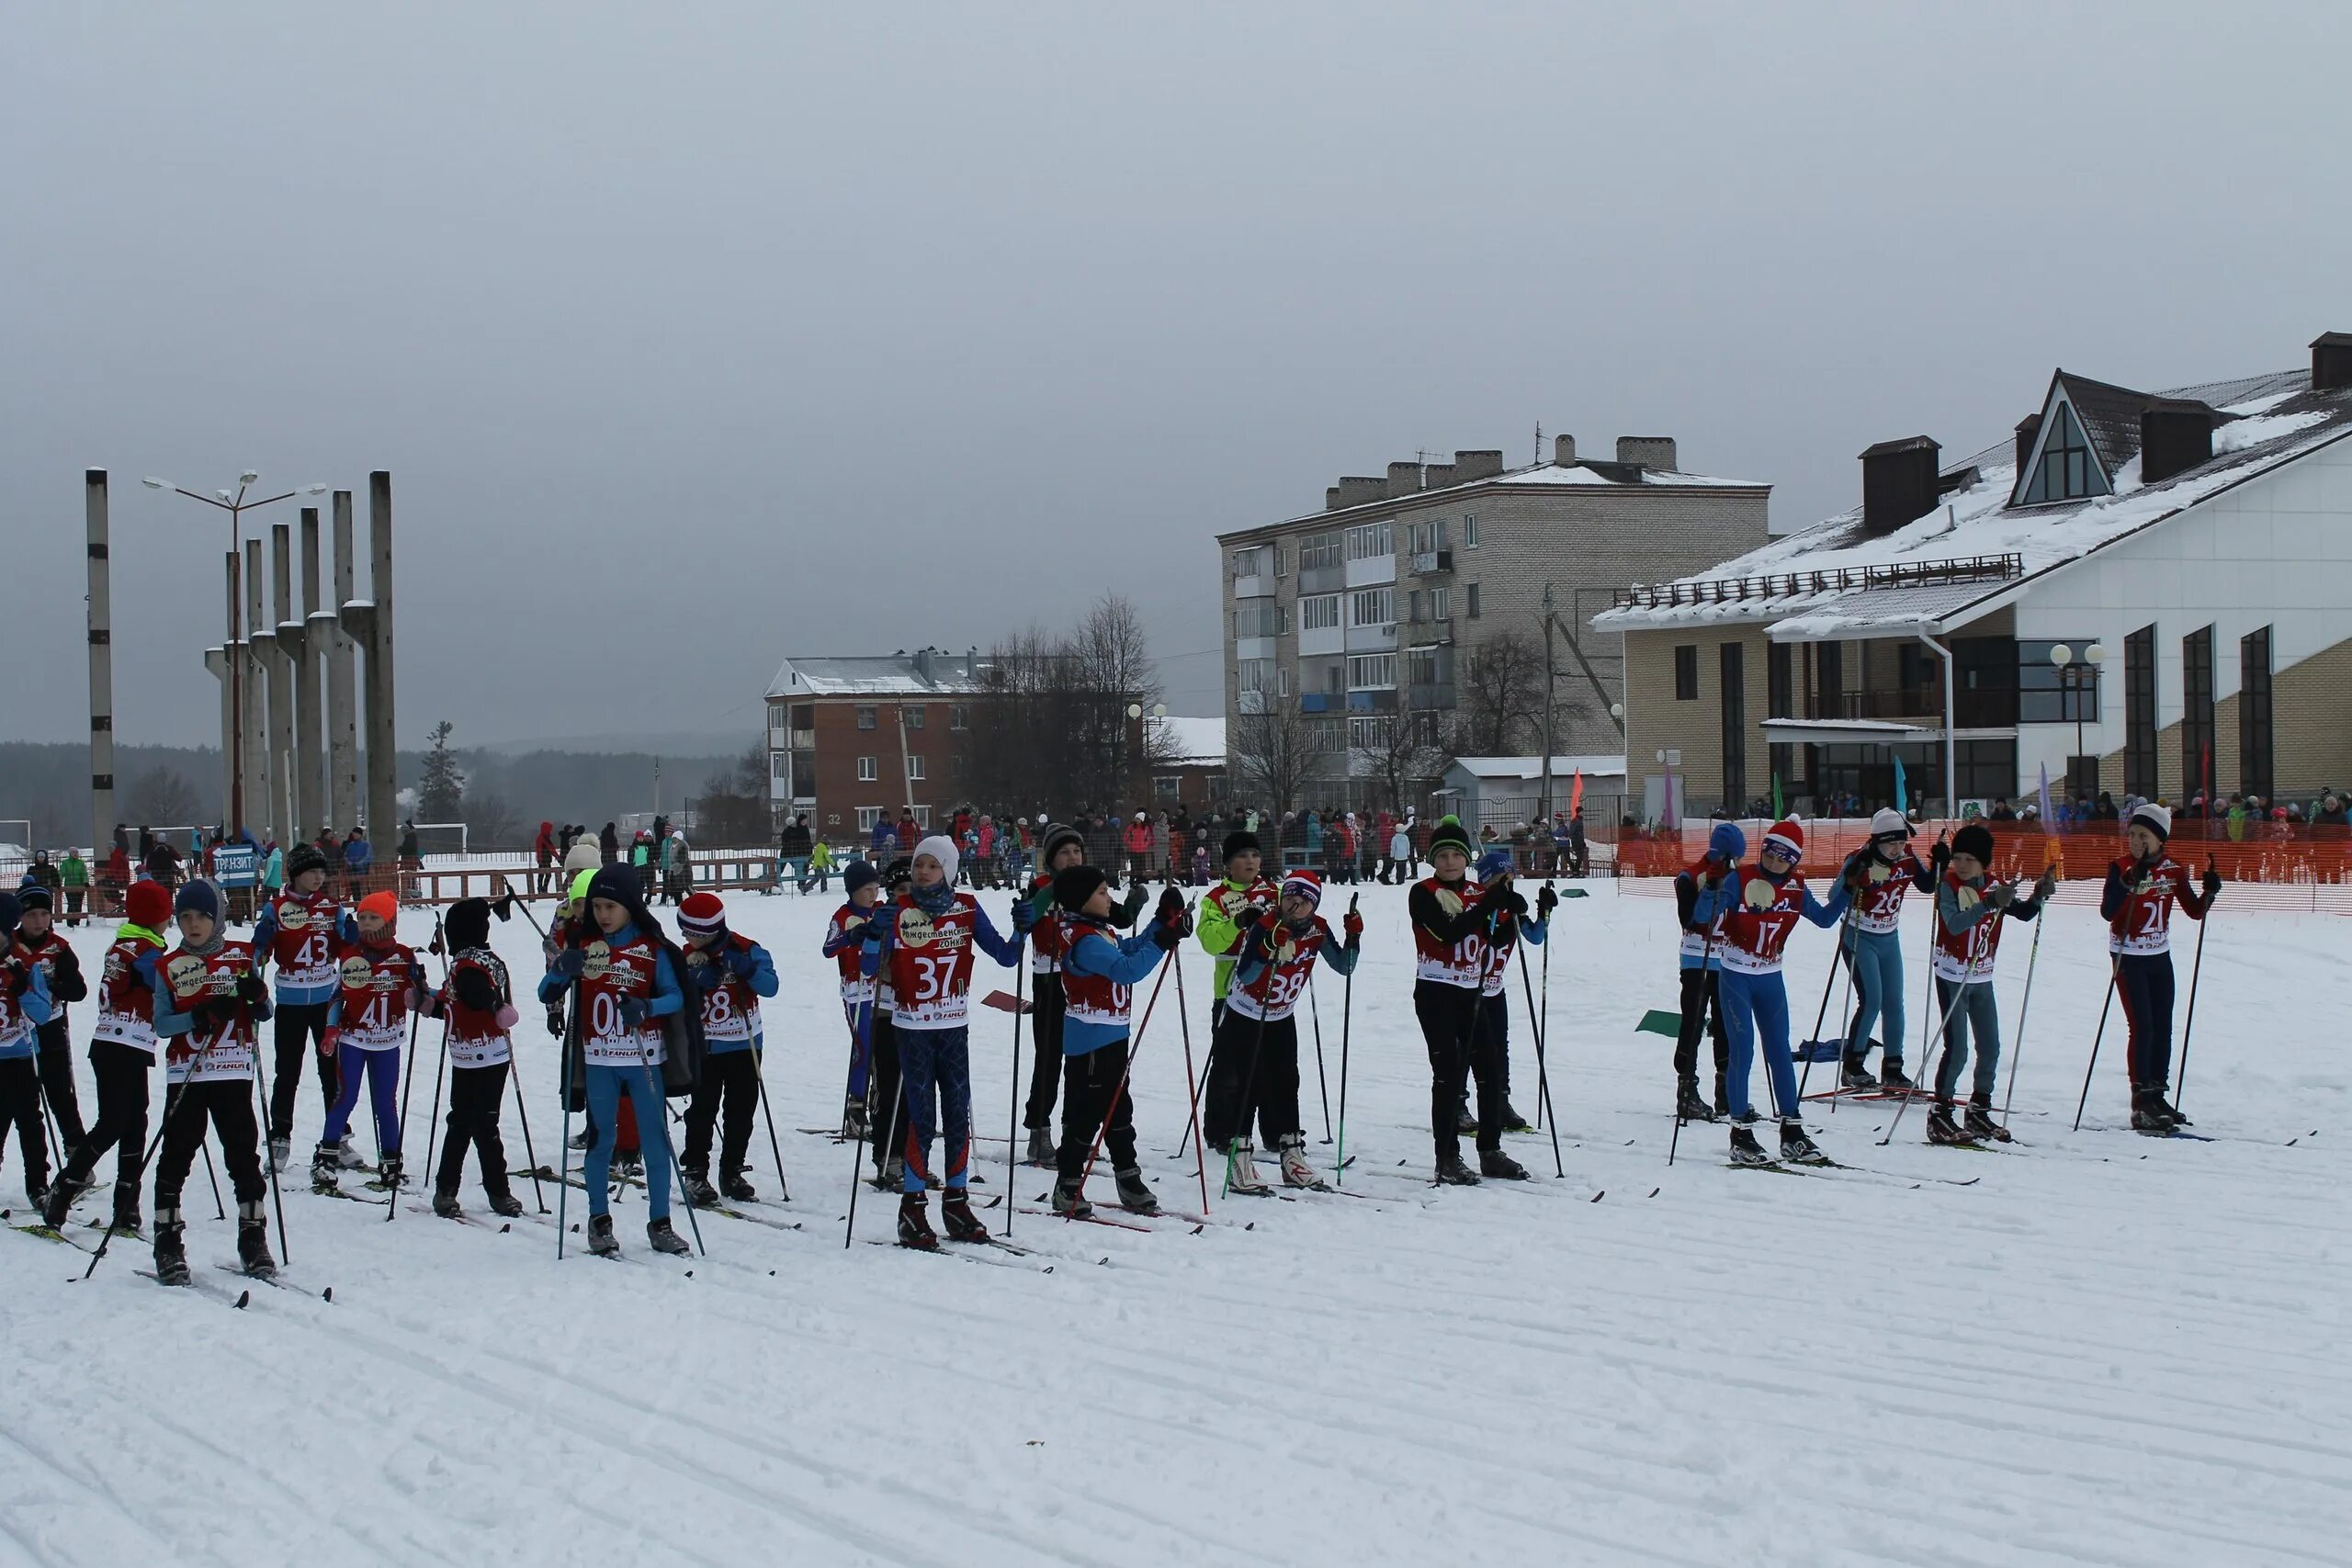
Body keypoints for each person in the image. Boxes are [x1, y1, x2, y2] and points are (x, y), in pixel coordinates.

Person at [857, 836, 1023, 1248]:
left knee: (956, 1110)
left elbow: (1005, 957)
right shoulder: (897, 910)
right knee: (922, 1115)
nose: (923, 873)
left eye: (933, 866)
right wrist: (874, 935)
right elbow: (865, 967)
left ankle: (956, 1199)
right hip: (912, 1027)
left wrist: (1023, 928)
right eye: (918, 866)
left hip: (952, 1024)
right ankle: (912, 1206)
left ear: (947, 870)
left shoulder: (965, 907)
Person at [541, 863, 696, 1258]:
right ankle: (599, 1220)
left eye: (610, 905)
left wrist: (646, 1006)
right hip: (599, 1062)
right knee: (601, 1140)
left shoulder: (652, 948)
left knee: (655, 1140)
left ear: (630, 905)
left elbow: (677, 997)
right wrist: (562, 969)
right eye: (596, 906)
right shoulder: (586, 947)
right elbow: (546, 991)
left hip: (644, 1058)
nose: (602, 914)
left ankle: (660, 1223)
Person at [147, 879, 276, 1284]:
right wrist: (196, 1017)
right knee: (177, 1154)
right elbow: (161, 1024)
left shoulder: (239, 956)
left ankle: (252, 1236)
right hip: (187, 1071)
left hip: (233, 1068)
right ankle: (167, 1240)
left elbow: (265, 1010)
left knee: (242, 1153)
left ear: (216, 916)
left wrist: (257, 996)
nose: (193, 924)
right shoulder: (168, 966)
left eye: (201, 915)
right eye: (185, 917)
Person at [1204, 870, 1362, 1191]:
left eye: (1304, 900)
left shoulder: (1317, 929)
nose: (1295, 904)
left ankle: (1292, 1157)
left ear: (1314, 905)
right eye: (1290, 896)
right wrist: (1266, 946)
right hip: (1245, 1014)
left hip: (1281, 1015)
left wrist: (1354, 937)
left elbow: (1344, 966)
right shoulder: (1264, 925)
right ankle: (1240, 1158)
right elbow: (1245, 975)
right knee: (1248, 1083)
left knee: (1287, 1083)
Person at [1709, 819, 1851, 1167]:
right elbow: (1703, 917)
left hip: (1771, 977)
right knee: (1743, 1050)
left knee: (1779, 1051)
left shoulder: (1796, 888)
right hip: (1736, 976)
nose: (1774, 862)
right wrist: (1714, 891)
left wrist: (1850, 886)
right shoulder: (1738, 879)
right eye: (1770, 854)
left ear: (1794, 861)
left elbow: (1824, 919)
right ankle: (1740, 1133)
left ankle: (1792, 1131)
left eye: (1783, 858)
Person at [1048, 867, 1182, 1218]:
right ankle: (1068, 1182)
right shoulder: (1083, 939)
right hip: (1090, 1038)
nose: (1110, 898)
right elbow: (1126, 970)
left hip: (1112, 1035)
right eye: (1103, 892)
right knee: (1088, 1114)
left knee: (1119, 1110)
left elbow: (1128, 948)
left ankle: (1128, 1177)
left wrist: (1160, 923)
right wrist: (1162, 942)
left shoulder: (1099, 931)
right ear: (1081, 900)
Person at [42, 879, 173, 1233]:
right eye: (167, 913)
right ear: (155, 917)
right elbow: (165, 981)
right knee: (115, 1123)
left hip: (129, 1045)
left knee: (135, 1123)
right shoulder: (145, 950)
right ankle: (66, 1187)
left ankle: (126, 1203)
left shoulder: (126, 942)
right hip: (120, 1045)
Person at [1406, 817, 1526, 1183]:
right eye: (1441, 856)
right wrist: (1490, 903)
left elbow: (1492, 939)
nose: (1449, 863)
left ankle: (1490, 1149)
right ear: (1432, 860)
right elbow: (1448, 933)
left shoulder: (1476, 893)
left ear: (1466, 858)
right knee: (1448, 1075)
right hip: (1437, 991)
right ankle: (1447, 1158)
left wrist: (1517, 914)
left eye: (1455, 855)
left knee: (1489, 1071)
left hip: (1471, 991)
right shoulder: (1423, 892)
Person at [1924, 825, 2054, 1145]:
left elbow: (2022, 913)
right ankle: (1940, 1113)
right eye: (1958, 858)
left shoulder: (1995, 885)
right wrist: (1989, 903)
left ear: (1984, 862)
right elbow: (1954, 925)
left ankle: (1979, 1108)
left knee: (1991, 1047)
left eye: (1970, 859)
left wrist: (2038, 895)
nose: (1963, 865)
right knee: (1958, 1049)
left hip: (1982, 976)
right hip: (1953, 975)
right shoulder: (1948, 886)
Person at [2099, 804, 2220, 1132]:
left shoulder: (2174, 869)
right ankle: (2141, 1102)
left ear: (2159, 839)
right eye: (2132, 835)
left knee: (2163, 1025)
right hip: (2128, 955)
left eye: (2144, 836)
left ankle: (2157, 1092)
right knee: (2142, 1026)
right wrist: (2127, 883)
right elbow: (2108, 912)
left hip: (2159, 954)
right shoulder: (2121, 866)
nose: (2136, 842)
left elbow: (2195, 910)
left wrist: (2210, 891)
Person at [253, 842, 358, 1171]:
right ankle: (280, 1138)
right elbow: (260, 956)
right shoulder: (277, 908)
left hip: (326, 999)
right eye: (312, 871)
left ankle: (337, 1136)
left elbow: (347, 950)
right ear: (297, 874)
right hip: (291, 998)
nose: (318, 877)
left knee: (331, 1069)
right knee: (288, 1072)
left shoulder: (331, 907)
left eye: (322, 871)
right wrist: (260, 943)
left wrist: (352, 937)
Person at [310, 891, 423, 1196]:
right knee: (345, 1096)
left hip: (387, 1039)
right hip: (354, 1038)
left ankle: (391, 1161)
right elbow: (337, 995)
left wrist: (423, 994)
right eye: (362, 918)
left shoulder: (403, 955)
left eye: (374, 918)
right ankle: (326, 1156)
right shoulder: (350, 955)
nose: (367, 924)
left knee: (386, 1103)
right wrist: (331, 1029)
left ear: (389, 921)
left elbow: (417, 995)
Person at [418, 897, 525, 1218]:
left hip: (489, 1054)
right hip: (465, 1054)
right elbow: (454, 1005)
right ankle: (448, 1189)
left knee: (481, 1123)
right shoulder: (467, 963)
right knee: (464, 1121)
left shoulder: (471, 965)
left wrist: (492, 1005)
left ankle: (496, 1190)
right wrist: (429, 1004)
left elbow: (477, 997)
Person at [674, 891, 779, 1207]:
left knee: (741, 1110)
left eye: (692, 932)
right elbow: (673, 1000)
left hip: (744, 1042)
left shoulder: (747, 949)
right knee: (702, 1110)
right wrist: (692, 985)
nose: (686, 937)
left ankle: (732, 1169)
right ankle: (695, 1170)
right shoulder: (683, 958)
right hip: (705, 1047)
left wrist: (748, 971)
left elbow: (771, 987)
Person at [1836, 808, 1939, 1093]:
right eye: (1890, 843)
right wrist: (1851, 879)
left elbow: (1927, 885)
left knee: (1894, 1002)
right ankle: (1852, 1065)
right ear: (1876, 840)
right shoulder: (1860, 859)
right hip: (1859, 935)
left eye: (1901, 842)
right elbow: (1835, 897)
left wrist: (1940, 863)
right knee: (1872, 999)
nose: (1896, 849)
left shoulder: (1907, 857)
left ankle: (1894, 1068)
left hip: (1888, 936)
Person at [1464, 850, 1555, 1135]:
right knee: (1466, 1050)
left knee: (1499, 1049)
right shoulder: (1476, 905)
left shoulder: (1512, 907)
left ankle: (1500, 1102)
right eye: (1501, 878)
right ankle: (1458, 1105)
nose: (1508, 882)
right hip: (1469, 989)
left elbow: (1536, 937)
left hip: (1495, 990)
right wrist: (1497, 915)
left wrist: (1544, 911)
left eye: (1511, 877)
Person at [1672, 824, 1743, 1122]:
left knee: (1727, 1024)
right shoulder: (1690, 878)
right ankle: (1686, 1090)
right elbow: (1689, 920)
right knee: (1693, 1022)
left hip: (1726, 959)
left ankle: (1725, 1091)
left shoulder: (1738, 878)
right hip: (1696, 958)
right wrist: (1711, 888)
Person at [11, 887, 88, 1151]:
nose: (39, 921)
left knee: (60, 1094)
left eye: (44, 914)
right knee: (25, 1099)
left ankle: (77, 1156)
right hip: (16, 1033)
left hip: (51, 1027)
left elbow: (78, 991)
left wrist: (52, 984)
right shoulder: (9, 945)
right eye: (32, 914)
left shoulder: (58, 947)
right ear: (21, 916)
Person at [0, 891, 59, 1212]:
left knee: (30, 1123)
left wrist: (23, 989)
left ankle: (38, 1184)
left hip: (21, 1055)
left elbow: (42, 1013)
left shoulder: (23, 961)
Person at [822, 861, 887, 1139]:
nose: (873, 894)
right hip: (856, 991)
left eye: (876, 888)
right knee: (864, 1047)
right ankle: (856, 1108)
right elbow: (828, 948)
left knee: (885, 1050)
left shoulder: (880, 911)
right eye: (867, 889)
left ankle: (881, 1105)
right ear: (853, 891)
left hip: (883, 990)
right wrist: (850, 936)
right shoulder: (843, 916)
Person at [1197, 829, 1279, 1032]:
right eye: (1242, 856)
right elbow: (1211, 942)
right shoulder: (1216, 898)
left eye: (1255, 854)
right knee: (1229, 1061)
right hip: (1231, 993)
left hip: (1271, 991)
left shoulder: (1273, 892)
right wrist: (1236, 923)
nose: (1250, 860)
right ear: (1229, 864)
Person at [778, 815, 814, 893]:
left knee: (801, 869)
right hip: (792, 853)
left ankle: (802, 884)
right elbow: (791, 842)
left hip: (796, 853)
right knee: (799, 869)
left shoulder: (797, 830)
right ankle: (801, 884)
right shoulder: (791, 831)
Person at [58, 847, 90, 927]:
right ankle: (70, 923)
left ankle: (77, 922)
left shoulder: (81, 863)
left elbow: (84, 873)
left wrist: (85, 881)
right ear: (70, 853)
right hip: (69, 888)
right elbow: (61, 873)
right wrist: (59, 882)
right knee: (71, 905)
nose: (76, 854)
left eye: (76, 852)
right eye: (73, 852)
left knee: (78, 905)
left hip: (80, 887)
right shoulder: (65, 863)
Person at [343, 825, 372, 901]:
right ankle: (356, 906)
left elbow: (368, 857)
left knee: (364, 890)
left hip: (363, 871)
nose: (355, 835)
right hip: (352, 871)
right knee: (355, 890)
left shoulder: (366, 845)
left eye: (356, 834)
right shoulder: (350, 845)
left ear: (360, 834)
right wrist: (350, 863)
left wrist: (359, 864)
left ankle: (367, 904)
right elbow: (345, 856)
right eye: (353, 834)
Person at [534, 821, 558, 895]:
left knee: (544, 874)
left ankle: (542, 889)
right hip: (544, 860)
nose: (551, 831)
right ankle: (542, 889)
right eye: (549, 829)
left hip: (546, 859)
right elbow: (540, 849)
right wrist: (540, 859)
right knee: (545, 874)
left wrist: (557, 857)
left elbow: (551, 849)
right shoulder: (542, 838)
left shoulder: (546, 837)